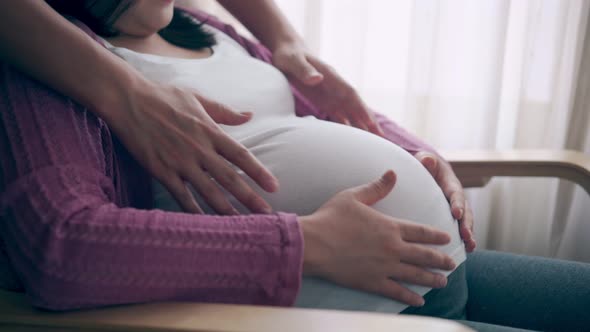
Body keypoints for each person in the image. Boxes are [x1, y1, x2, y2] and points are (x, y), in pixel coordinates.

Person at [0, 1, 588, 332]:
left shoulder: (210, 28)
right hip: (346, 310)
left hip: (436, 269)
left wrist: (415, 155)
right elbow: (62, 247)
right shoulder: (55, 69)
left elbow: (311, 113)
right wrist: (307, 245)